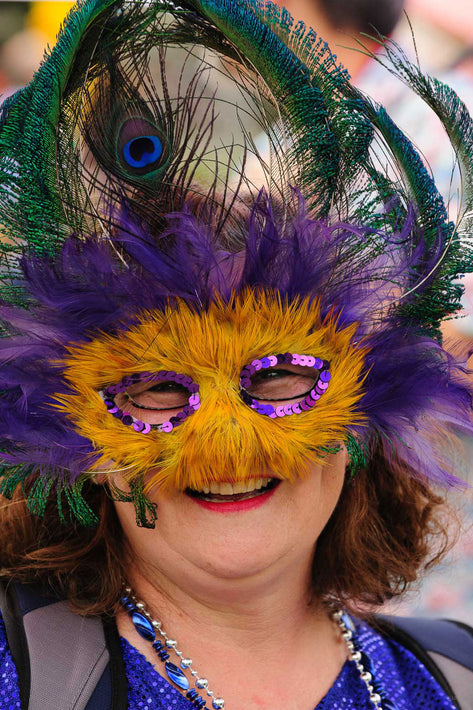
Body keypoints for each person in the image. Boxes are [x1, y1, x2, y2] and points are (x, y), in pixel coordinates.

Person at [0, 1, 472, 709]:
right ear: (76, 436)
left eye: (281, 377)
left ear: (369, 401)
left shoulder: (453, 678)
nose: (225, 441)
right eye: (156, 389)